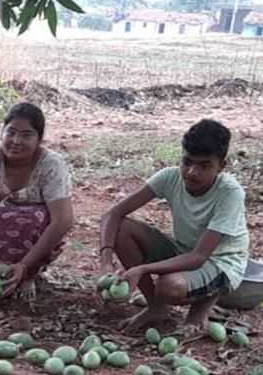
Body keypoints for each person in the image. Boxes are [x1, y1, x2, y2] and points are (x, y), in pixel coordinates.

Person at [99, 119, 248, 333]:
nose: (191, 172)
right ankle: (156, 308)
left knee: (169, 286)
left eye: (204, 166)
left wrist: (142, 269)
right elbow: (112, 214)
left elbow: (199, 257)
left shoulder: (230, 193)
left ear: (221, 166)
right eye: (187, 162)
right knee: (122, 229)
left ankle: (207, 298)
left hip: (219, 261)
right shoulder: (170, 177)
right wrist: (106, 262)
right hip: (183, 250)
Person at [0, 102, 75, 300]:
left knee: (34, 218)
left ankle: (25, 275)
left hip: (28, 234)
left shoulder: (51, 166)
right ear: (1, 134)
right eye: (11, 133)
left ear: (39, 139)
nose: (16, 141)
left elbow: (63, 220)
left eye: (27, 135)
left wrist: (25, 266)